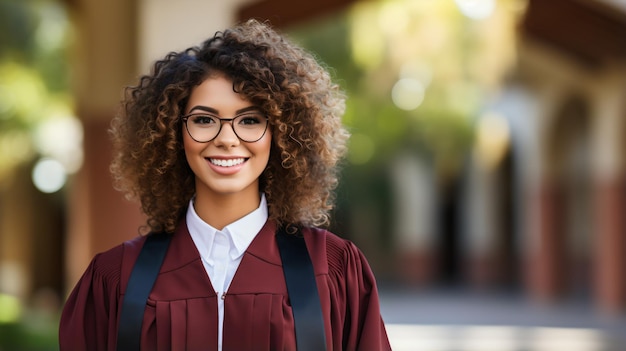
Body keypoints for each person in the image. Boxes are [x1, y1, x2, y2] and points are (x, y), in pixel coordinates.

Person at [59, 19, 391, 351]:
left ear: (280, 133)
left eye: (250, 120)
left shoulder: (334, 269)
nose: (227, 139)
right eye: (204, 120)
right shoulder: (115, 278)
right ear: (173, 134)